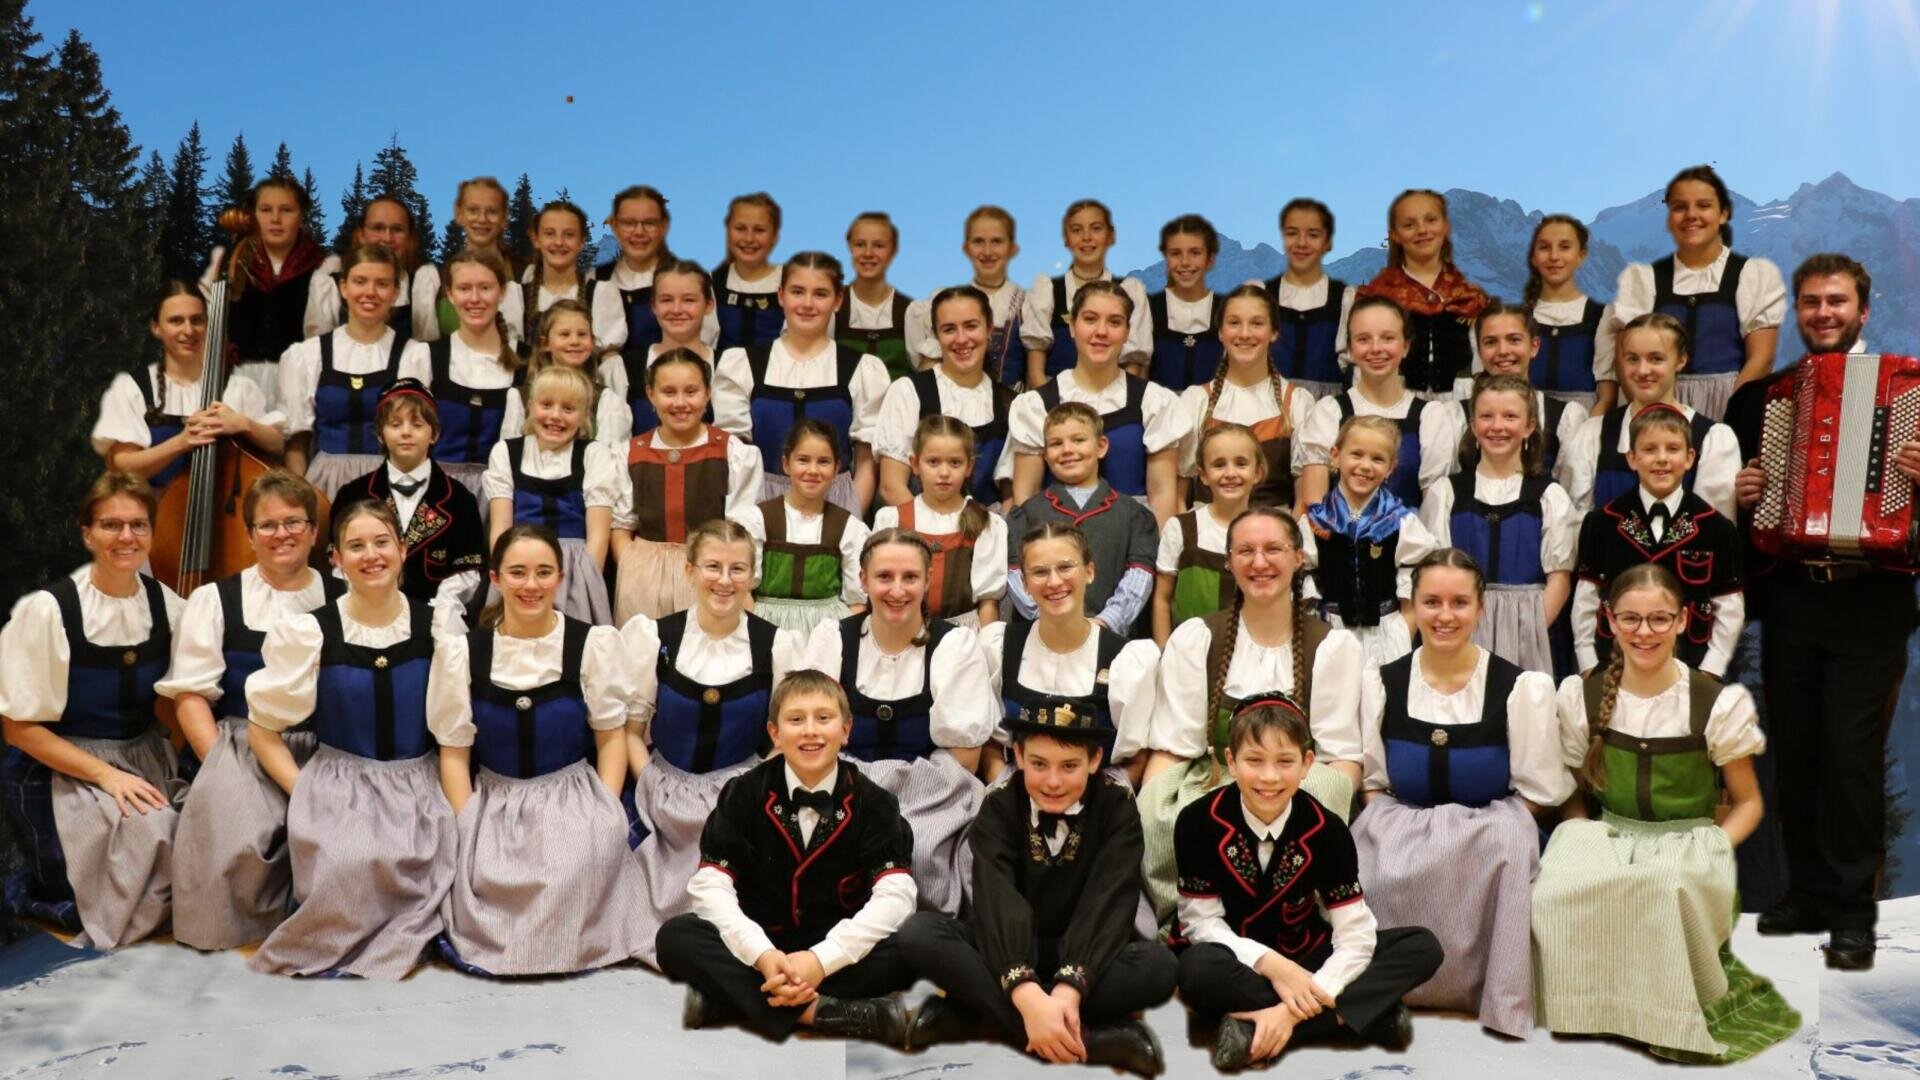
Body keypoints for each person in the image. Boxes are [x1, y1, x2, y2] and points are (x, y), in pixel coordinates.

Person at [1727, 252, 1919, 970]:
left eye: (1837, 302)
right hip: (1795, 593)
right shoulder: (1766, 400)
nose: (1823, 314)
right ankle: (1805, 893)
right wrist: (1747, 495)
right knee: (1799, 749)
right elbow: (1745, 507)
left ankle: (1851, 912)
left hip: (1873, 597)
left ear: (1863, 310)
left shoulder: (1913, 391)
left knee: (1849, 757)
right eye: (1810, 303)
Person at [1533, 564, 1800, 1062]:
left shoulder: (1712, 703)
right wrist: (1577, 831)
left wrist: (1715, 845)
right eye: (1631, 619)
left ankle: (1663, 1013)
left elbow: (1748, 802)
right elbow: (1571, 788)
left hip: (1688, 839)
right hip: (1611, 833)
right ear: (1609, 621)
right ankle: (1588, 1009)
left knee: (1660, 885)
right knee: (1554, 885)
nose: (1645, 632)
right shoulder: (1585, 695)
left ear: (1681, 622)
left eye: (1659, 619)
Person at [897, 697, 1176, 1078]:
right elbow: (998, 900)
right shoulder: (997, 803)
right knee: (919, 933)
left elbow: (1108, 900)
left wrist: (1068, 988)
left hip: (1083, 950)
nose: (1054, 781)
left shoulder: (1117, 806)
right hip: (1008, 948)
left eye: (1070, 766)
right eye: (1040, 764)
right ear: (1018, 755)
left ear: (1095, 761)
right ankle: (1086, 1040)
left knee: (1159, 967)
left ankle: (983, 1020)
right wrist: (1027, 995)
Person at [1352, 550, 1568, 1037]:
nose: (1444, 616)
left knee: (1510, 849)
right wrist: (1407, 830)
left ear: (1480, 609)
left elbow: (1538, 790)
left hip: (1489, 820)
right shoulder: (1382, 682)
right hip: (1401, 815)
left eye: (1458, 603)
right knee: (1365, 860)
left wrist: (1465, 834)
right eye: (1431, 602)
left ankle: (1494, 994)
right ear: (1414, 603)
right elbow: (1372, 781)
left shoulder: (1519, 687)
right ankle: (1382, 988)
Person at [1174, 695, 1444, 1070]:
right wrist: (1275, 967)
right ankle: (1361, 1015)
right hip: (1237, 960)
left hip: (1305, 955)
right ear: (1230, 761)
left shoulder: (1326, 828)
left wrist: (1296, 1006)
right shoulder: (1198, 821)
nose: (1269, 777)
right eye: (1254, 760)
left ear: (1307, 765)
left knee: (1422, 946)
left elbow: (1354, 934)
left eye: (1285, 761)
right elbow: (1201, 923)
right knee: (1196, 969)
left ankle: (1265, 1029)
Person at [245, 500, 454, 978]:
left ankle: (402, 935)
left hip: (417, 781)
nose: (371, 555)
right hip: (340, 782)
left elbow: (452, 731)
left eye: (382, 543)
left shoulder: (436, 627)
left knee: (439, 866)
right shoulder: (310, 632)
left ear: (402, 550)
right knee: (348, 859)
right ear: (336, 559)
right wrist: (306, 794)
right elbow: (263, 730)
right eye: (356, 546)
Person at [657, 670, 918, 1047]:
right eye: (796, 720)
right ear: (774, 732)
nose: (810, 731)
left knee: (911, 944)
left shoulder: (875, 802)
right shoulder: (743, 793)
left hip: (835, 949)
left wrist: (820, 960)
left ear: (846, 730)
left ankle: (733, 1000)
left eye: (823, 718)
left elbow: (896, 895)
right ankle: (819, 1012)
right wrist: (762, 955)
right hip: (763, 945)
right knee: (676, 937)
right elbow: (711, 885)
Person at [429, 526, 647, 975]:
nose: (531, 585)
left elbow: (610, 737)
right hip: (495, 800)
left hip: (571, 797)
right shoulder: (464, 652)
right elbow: (454, 752)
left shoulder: (592, 644)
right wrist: (466, 818)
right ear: (496, 578)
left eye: (544, 572)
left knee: (574, 864)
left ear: (561, 578)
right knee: (486, 878)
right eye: (518, 572)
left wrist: (606, 809)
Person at [1140, 506, 1365, 921]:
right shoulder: (1196, 638)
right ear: (1229, 562)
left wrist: (1298, 804)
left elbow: (1342, 757)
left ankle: (1292, 915)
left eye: (1273, 549)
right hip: (1214, 778)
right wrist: (1152, 806)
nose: (1259, 562)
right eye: (1245, 551)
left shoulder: (1332, 647)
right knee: (1154, 802)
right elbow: (1173, 748)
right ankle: (1192, 918)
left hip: (1293, 783)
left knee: (1326, 788)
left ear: (1299, 558)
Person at [0, 471, 184, 947]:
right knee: (153, 838)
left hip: (144, 754)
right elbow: (18, 728)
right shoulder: (49, 609)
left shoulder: (169, 605)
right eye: (111, 525)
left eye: (138, 525)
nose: (126, 537)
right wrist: (107, 776)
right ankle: (38, 895)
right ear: (87, 533)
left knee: (199, 844)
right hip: (65, 764)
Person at [160, 470, 339, 951]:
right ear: (250, 535)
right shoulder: (215, 600)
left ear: (314, 531)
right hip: (240, 743)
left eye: (294, 522)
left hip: (326, 744)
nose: (282, 534)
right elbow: (191, 697)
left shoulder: (343, 598)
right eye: (268, 525)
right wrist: (222, 766)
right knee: (238, 837)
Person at [620, 519, 809, 967]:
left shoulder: (776, 645)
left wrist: (750, 789)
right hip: (664, 790)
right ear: (689, 571)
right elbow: (630, 732)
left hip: (741, 795)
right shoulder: (655, 636)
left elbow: (789, 737)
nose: (725, 581)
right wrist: (650, 781)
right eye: (713, 567)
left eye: (737, 569)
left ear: (752, 576)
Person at [802, 529, 996, 914]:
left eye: (910, 577)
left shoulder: (954, 646)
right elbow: (812, 737)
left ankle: (919, 940)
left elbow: (965, 759)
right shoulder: (834, 640)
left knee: (917, 849)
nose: (897, 590)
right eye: (884, 577)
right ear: (863, 580)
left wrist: (893, 797)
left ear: (927, 581)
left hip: (931, 793)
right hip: (843, 786)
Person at [713, 251, 892, 517]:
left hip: (837, 505)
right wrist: (748, 521)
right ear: (780, 295)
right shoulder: (743, 365)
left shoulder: (861, 369)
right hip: (760, 505)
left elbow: (866, 461)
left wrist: (848, 523)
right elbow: (735, 459)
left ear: (838, 300)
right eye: (797, 292)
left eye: (820, 294)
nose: (808, 304)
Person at [1419, 373, 1576, 674]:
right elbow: (1433, 571)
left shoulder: (1549, 496)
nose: (1497, 426)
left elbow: (1560, 578)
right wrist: (1455, 621)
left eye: (1510, 416)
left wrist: (1527, 631)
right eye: (1487, 416)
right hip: (1457, 623)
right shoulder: (1447, 492)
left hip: (1527, 628)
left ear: (1530, 426)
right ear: (1474, 425)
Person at [1572, 405, 1744, 678]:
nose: (1661, 459)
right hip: (1614, 667)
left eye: (1672, 449)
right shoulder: (1602, 522)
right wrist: (1588, 661)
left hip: (1691, 668)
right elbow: (1586, 598)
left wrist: (1711, 670)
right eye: (1649, 449)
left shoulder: (1716, 528)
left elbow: (1729, 607)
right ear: (1632, 458)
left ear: (1689, 458)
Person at [983, 523, 1160, 786]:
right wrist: (1008, 796)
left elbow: (1135, 760)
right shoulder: (997, 646)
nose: (1054, 582)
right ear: (1025, 584)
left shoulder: (1127, 659)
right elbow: (990, 746)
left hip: (1099, 798)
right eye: (1040, 572)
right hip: (1016, 795)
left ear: (1089, 571)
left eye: (1065, 567)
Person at [1609, 165, 1785, 420]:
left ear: (1723, 213)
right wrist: (1651, 417)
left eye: (1703, 205)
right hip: (1658, 406)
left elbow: (1761, 358)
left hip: (1730, 404)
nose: (1691, 215)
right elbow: (1626, 358)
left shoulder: (1750, 275)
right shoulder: (1645, 279)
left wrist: (1727, 422)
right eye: (1680, 207)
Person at [1009, 281, 1188, 522]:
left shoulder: (1155, 402)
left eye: (1114, 322)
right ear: (1072, 326)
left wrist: (1152, 556)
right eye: (1090, 319)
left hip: (1132, 544)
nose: (1101, 332)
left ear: (1127, 332)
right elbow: (1026, 496)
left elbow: (1162, 494)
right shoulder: (1036, 405)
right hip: (1056, 544)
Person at [610, 348, 764, 623]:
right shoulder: (631, 453)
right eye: (669, 392)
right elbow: (621, 526)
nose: (680, 403)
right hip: (645, 574)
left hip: (710, 572)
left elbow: (744, 528)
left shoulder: (731, 452)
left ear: (707, 393)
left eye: (691, 391)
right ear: (651, 395)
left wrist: (741, 583)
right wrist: (633, 568)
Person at [279, 244, 433, 499]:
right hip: (324, 484)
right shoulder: (308, 355)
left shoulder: (414, 355)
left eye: (382, 284)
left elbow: (417, 442)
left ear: (396, 292)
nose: (370, 292)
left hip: (391, 485)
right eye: (360, 281)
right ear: (343, 287)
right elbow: (297, 442)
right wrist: (302, 499)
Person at [94, 282, 279, 494]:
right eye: (176, 321)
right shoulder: (133, 387)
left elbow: (277, 445)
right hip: (156, 515)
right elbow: (121, 466)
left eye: (197, 320)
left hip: (227, 515)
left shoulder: (240, 388)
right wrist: (181, 442)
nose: (188, 330)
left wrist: (244, 423)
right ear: (156, 327)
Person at [333, 380, 487, 629]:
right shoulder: (353, 495)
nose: (406, 432)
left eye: (417, 424)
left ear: (434, 433)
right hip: (364, 614)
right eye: (395, 424)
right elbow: (340, 566)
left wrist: (435, 616)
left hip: (436, 618)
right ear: (379, 433)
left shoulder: (460, 500)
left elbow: (466, 572)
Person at [1558, 312, 1740, 521]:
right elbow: (1576, 526)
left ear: (1681, 360)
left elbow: (1714, 532)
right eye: (1633, 359)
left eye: (1656, 358)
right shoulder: (1593, 434)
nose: (1643, 370)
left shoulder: (1712, 440)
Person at [1004, 404, 1159, 640]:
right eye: (1056, 443)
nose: (1067, 450)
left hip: (1110, 639)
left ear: (1101, 446)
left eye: (1078, 440)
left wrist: (1106, 621)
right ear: (1045, 455)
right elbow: (1017, 575)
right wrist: (1049, 618)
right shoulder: (1026, 515)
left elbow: (1140, 575)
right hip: (1042, 636)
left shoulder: (1133, 515)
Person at [1297, 295, 1463, 510]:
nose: (1376, 348)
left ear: (1405, 346)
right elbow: (1314, 505)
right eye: (1363, 339)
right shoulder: (1329, 412)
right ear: (1350, 349)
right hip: (1336, 541)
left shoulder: (1430, 416)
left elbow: (1433, 510)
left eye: (1387, 338)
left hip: (1409, 540)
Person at [481, 364, 619, 624]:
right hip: (518, 564)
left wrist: (582, 587)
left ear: (583, 415)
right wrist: (507, 577)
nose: (556, 416)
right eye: (546, 405)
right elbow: (500, 530)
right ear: (531, 407)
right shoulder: (506, 453)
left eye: (568, 409)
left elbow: (598, 538)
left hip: (574, 570)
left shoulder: (593, 454)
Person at [1301, 415, 1439, 666]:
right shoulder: (1315, 521)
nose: (1365, 466)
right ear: (1335, 455)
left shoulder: (1400, 522)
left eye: (1377, 459)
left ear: (1391, 468)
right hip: (1328, 634)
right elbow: (1303, 583)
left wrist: (1402, 632)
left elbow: (1418, 582)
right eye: (1356, 454)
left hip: (1384, 635)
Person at [877, 285, 1016, 510]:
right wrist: (936, 537)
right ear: (936, 334)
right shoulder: (908, 392)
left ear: (989, 328)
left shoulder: (1010, 403)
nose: (961, 339)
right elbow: (891, 486)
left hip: (985, 534)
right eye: (949, 329)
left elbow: (1011, 496)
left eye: (971, 326)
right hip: (918, 536)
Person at [1178, 284, 1314, 514]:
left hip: (1273, 537)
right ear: (1220, 332)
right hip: (1206, 538)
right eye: (1234, 323)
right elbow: (1178, 497)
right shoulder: (1195, 401)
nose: (1244, 334)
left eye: (1257, 323)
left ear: (1274, 332)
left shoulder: (1298, 402)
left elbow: (1305, 499)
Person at [734, 420, 872, 634]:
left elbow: (856, 602)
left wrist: (839, 638)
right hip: (766, 627)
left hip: (829, 632)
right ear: (786, 464)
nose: (813, 470)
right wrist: (760, 633)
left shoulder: (850, 528)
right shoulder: (757, 520)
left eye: (823, 462)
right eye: (803, 460)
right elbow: (742, 590)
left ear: (836, 469)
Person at [871, 417, 1007, 627]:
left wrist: (987, 651)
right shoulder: (892, 519)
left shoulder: (987, 524)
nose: (944, 473)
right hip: (902, 627)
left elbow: (987, 603)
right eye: (933, 462)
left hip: (963, 634)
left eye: (955, 462)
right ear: (915, 464)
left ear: (969, 466)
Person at [208, 176, 328, 411]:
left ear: (300, 215)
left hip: (298, 388)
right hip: (238, 387)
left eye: (286, 210)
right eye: (265, 210)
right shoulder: (231, 264)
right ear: (252, 215)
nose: (275, 219)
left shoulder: (321, 269)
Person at [1358, 189, 1489, 401]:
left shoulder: (1472, 299)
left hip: (1456, 405)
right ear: (1395, 236)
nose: (1422, 231)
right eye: (1409, 224)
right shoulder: (1374, 299)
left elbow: (1483, 367)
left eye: (1430, 221)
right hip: (1393, 401)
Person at [1018, 199, 1152, 388]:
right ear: (1066, 238)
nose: (1086, 237)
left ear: (1110, 235)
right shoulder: (1047, 291)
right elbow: (1035, 372)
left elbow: (1135, 366)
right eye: (1077, 230)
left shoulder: (1130, 291)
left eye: (1096, 228)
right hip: (1057, 406)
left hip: (1115, 404)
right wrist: (1055, 409)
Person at [1153, 424, 1264, 642]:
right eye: (1219, 465)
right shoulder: (1181, 528)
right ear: (1203, 475)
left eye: (1241, 463)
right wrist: (1164, 656)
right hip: (1189, 657)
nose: (1230, 473)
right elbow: (1162, 600)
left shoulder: (1270, 530)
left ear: (1257, 472)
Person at [428, 248, 522, 502]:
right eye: (464, 288)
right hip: (436, 493)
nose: (475, 298)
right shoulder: (426, 357)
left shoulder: (525, 361)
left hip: (501, 496)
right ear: (449, 293)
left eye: (485, 287)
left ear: (502, 291)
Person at [592, 185, 717, 363]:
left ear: (664, 226)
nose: (639, 232)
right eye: (629, 223)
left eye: (649, 223)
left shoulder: (691, 279)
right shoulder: (595, 279)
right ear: (614, 225)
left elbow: (705, 344)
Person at [905, 206, 1026, 388]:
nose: (987, 251)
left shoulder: (1026, 303)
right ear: (966, 247)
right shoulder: (948, 303)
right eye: (978, 241)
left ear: (1012, 248)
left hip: (1009, 407)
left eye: (996, 241)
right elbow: (928, 372)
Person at [602, 257, 720, 437]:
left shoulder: (728, 366)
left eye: (689, 300)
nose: (677, 309)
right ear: (653, 306)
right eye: (666, 300)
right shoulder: (623, 370)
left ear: (709, 305)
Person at [1467, 299, 1588, 475]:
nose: (1502, 351)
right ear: (1479, 350)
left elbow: (1572, 495)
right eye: (1490, 342)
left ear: (1534, 346)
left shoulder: (1565, 417)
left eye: (1514, 340)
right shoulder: (1455, 417)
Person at [305, 195, 441, 343]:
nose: (387, 238)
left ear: (409, 238)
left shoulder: (421, 285)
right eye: (378, 228)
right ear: (362, 235)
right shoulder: (330, 282)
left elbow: (427, 351)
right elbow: (318, 351)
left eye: (398, 229)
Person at [502, 298, 629, 448]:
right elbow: (510, 453)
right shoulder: (521, 397)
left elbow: (609, 458)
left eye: (582, 334)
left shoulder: (605, 400)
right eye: (564, 334)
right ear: (545, 344)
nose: (575, 341)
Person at [1263, 197, 1356, 400]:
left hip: (1325, 410)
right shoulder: (1263, 295)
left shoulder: (1344, 298)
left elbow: (1352, 367)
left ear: (1328, 243)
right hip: (1271, 409)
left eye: (1313, 235)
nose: (1301, 243)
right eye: (1292, 233)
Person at [1523, 214, 1616, 414]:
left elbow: (1607, 397)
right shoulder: (1519, 318)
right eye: (1544, 247)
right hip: (1527, 420)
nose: (1554, 256)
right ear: (1534, 257)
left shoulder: (1601, 316)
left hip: (1582, 420)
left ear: (1581, 255)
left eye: (1565, 247)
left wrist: (1585, 436)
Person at [434, 177, 526, 337]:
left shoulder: (524, 275)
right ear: (459, 214)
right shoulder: (439, 279)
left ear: (504, 218)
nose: (482, 219)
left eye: (492, 211)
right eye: (473, 210)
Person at [1143, 214, 1224, 394]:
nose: (1185, 262)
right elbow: (1137, 379)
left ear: (1210, 259)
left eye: (1195, 253)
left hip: (1216, 418)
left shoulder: (1227, 310)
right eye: (1175, 254)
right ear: (1166, 259)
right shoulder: (1148, 309)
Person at [835, 211, 918, 381]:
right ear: (850, 246)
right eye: (860, 244)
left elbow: (925, 371)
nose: (868, 253)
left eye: (879, 246)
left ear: (893, 250)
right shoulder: (832, 306)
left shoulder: (911, 312)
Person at [518, 199, 596, 353]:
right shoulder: (517, 296)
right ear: (536, 239)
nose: (559, 242)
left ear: (582, 241)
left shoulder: (600, 294)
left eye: (569, 235)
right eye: (549, 234)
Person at [711, 192, 786, 352]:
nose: (749, 238)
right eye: (740, 228)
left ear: (775, 236)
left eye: (759, 230)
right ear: (728, 231)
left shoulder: (790, 283)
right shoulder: (711, 284)